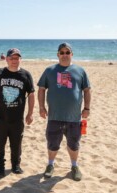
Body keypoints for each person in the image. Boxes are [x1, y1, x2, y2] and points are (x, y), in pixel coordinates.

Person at [37, 42, 91, 181]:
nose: (65, 55)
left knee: (74, 143)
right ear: (58, 55)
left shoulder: (80, 70)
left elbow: (86, 90)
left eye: (67, 52)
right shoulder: (50, 70)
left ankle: (74, 166)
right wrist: (41, 107)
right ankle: (50, 165)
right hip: (54, 116)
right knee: (53, 143)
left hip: (74, 117)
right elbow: (41, 89)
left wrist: (87, 108)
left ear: (72, 54)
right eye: (62, 52)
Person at [0, 48, 35, 178]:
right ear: (7, 59)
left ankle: (15, 165)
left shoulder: (26, 75)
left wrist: (30, 113)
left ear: (20, 59)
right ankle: (0, 167)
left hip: (17, 118)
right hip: (0, 117)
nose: (14, 60)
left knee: (16, 144)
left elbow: (31, 95)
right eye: (12, 58)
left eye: (17, 58)